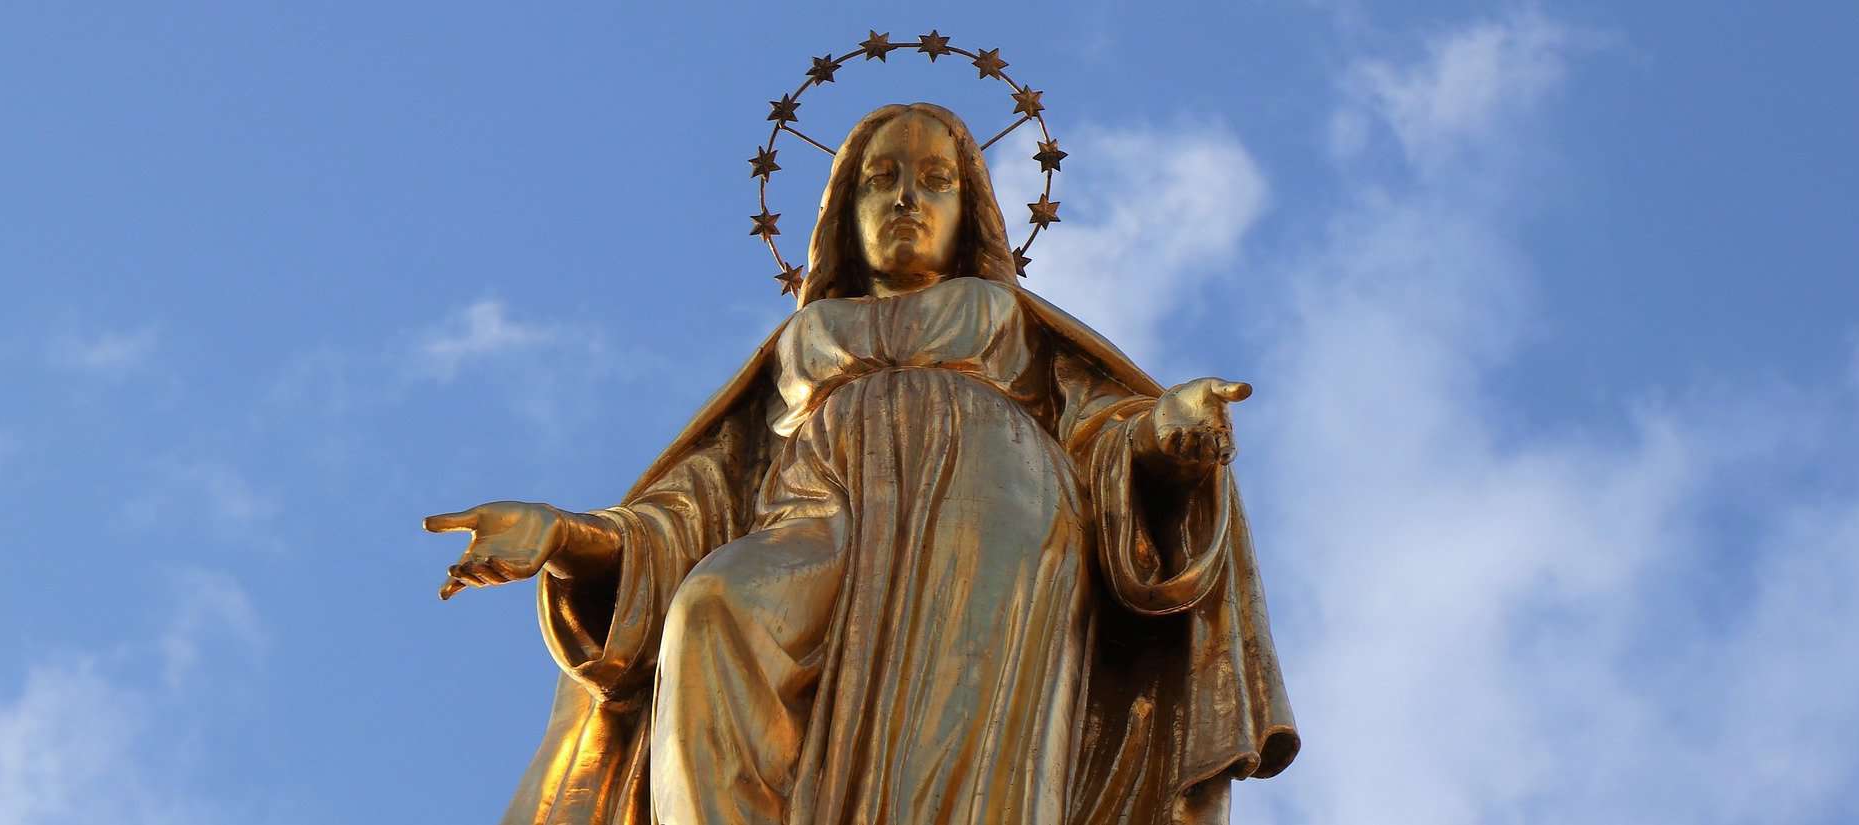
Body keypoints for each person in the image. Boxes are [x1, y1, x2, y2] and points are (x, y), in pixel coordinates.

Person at [426, 102, 1297, 825]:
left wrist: (1166, 428)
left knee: (958, 755)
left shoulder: (1009, 324)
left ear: (971, 213)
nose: (906, 200)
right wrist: (567, 534)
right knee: (712, 611)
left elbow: (1103, 431)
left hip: (994, 533)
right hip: (816, 516)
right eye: (880, 180)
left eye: (934, 181)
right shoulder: (801, 344)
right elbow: (695, 506)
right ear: (843, 210)